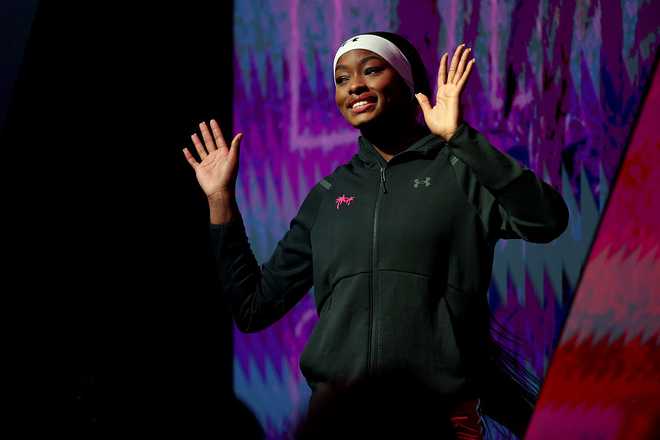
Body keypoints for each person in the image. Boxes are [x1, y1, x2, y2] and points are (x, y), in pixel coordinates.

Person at [182, 31, 569, 439]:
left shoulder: (459, 170)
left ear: (406, 83)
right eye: (342, 78)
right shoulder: (328, 195)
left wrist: (460, 139)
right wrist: (221, 199)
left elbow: (546, 220)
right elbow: (253, 306)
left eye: (371, 70)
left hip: (435, 421)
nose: (355, 86)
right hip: (342, 422)